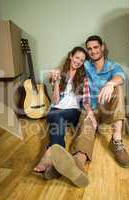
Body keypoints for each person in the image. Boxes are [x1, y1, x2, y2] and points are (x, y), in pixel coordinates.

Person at [49, 35, 129, 187]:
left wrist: (110, 84)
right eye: (90, 49)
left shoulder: (112, 66)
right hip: (89, 109)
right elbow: (69, 67)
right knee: (86, 130)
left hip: (107, 111)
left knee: (118, 88)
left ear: (103, 47)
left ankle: (117, 141)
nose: (93, 51)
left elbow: (121, 76)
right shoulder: (85, 65)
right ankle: (76, 166)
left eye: (96, 47)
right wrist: (55, 73)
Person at [33, 46, 90, 183]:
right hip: (56, 109)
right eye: (77, 58)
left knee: (56, 116)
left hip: (72, 111)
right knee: (55, 115)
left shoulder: (83, 77)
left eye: (81, 60)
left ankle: (48, 155)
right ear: (71, 56)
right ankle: (58, 159)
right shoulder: (58, 73)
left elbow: (86, 99)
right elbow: (55, 100)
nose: (78, 62)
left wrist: (90, 113)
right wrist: (57, 81)